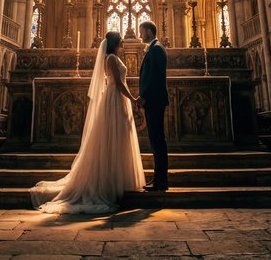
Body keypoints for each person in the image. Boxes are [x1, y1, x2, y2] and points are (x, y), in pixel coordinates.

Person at [30, 31, 145, 213]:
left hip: (117, 99)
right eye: (120, 39)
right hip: (115, 99)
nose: (123, 41)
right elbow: (119, 83)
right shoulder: (112, 59)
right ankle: (110, 183)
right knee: (113, 137)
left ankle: (117, 180)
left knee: (118, 138)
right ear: (115, 42)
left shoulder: (112, 57)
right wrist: (133, 99)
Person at [137, 20, 169, 191]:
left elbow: (154, 78)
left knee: (157, 141)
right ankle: (158, 179)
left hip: (154, 101)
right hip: (154, 100)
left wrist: (144, 97)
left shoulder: (156, 49)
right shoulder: (155, 48)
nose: (140, 35)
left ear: (149, 31)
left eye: (142, 31)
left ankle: (161, 181)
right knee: (156, 140)